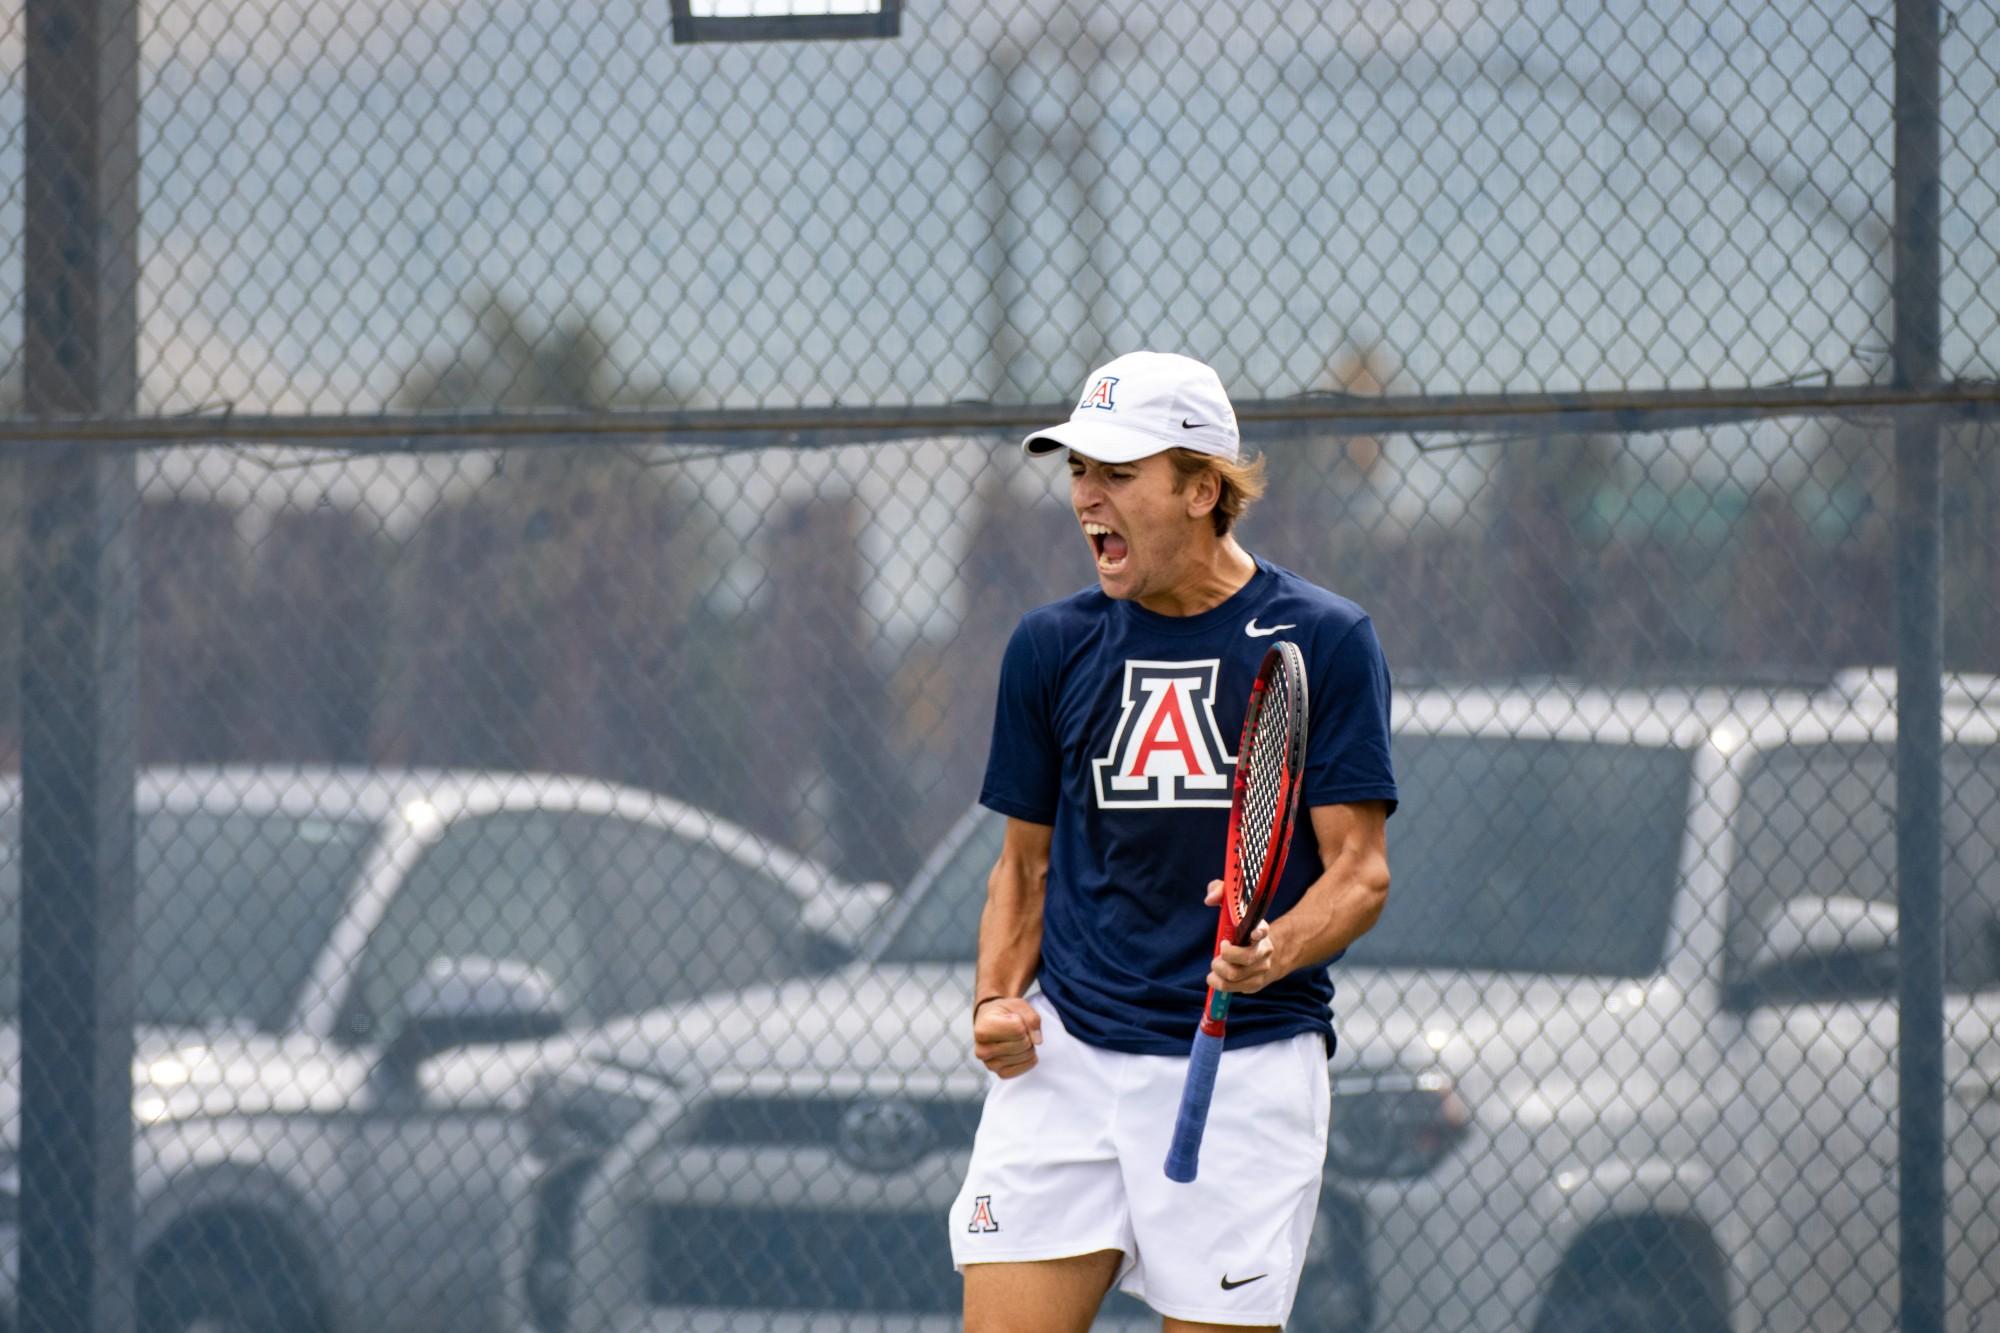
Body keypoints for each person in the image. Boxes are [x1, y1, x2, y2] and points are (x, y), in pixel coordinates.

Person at [948, 350, 1398, 1332]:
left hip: (1243, 1070)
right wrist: (992, 999)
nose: (1085, 497)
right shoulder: (1047, 647)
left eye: (1116, 472)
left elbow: (1358, 874)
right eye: (1076, 470)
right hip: (1063, 1062)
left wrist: (1272, 946)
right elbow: (1020, 869)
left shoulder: (1321, 639)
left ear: (1200, 488)